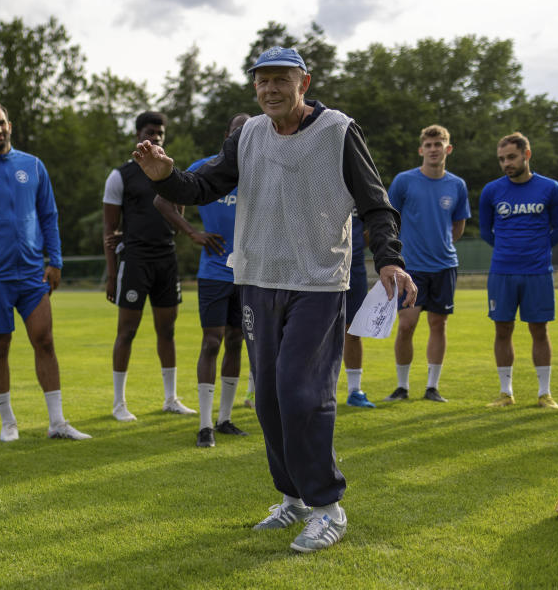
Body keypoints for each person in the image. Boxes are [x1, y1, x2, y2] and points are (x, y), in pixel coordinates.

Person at [132, 47, 416, 553]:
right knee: (267, 398)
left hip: (318, 282)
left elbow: (376, 203)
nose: (270, 90)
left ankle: (329, 508)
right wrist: (165, 178)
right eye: (261, 82)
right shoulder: (250, 135)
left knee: (301, 393)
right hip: (258, 280)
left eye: (280, 80)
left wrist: (389, 258)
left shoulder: (338, 130)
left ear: (304, 82)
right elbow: (202, 186)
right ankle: (293, 499)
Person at [0, 100, 90, 442]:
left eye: (0, 122)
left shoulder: (33, 166)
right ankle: (8, 421)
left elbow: (49, 216)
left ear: (9, 124)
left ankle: (57, 423)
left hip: (32, 274)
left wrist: (55, 260)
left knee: (44, 340)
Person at [153, 112, 252, 448]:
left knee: (237, 340)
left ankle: (225, 419)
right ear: (227, 135)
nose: (242, 137)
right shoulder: (208, 167)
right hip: (214, 272)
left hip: (250, 273)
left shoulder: (261, 172)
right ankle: (205, 424)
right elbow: (162, 198)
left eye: (248, 132)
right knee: (212, 341)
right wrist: (192, 232)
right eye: (236, 132)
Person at [102, 111, 195, 421]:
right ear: (138, 135)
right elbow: (110, 230)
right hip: (136, 260)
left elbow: (179, 214)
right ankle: (118, 404)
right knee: (126, 332)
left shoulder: (170, 171)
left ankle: (170, 398)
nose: (156, 137)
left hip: (166, 259)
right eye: (150, 132)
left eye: (160, 133)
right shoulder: (121, 176)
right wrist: (112, 273)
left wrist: (170, 180)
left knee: (167, 330)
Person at [480, 132, 558, 408]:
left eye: (512, 157)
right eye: (502, 159)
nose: (507, 163)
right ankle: (506, 393)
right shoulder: (491, 191)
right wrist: (510, 250)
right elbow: (486, 232)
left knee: (539, 330)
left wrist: (536, 249)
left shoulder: (551, 188)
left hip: (538, 272)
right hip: (502, 272)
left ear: (526, 155)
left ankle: (545, 393)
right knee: (502, 330)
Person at [384, 125, 470, 403]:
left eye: (439, 144)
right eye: (429, 145)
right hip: (411, 267)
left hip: (444, 266)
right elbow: (389, 219)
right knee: (406, 324)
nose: (434, 149)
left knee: (438, 324)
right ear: (421, 150)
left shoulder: (457, 185)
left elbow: (458, 226)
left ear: (448, 148)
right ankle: (402, 386)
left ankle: (432, 387)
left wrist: (440, 245)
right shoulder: (404, 181)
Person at [343, 220, 375, 408]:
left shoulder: (360, 191)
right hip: (320, 267)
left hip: (355, 268)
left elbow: (375, 224)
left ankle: (355, 391)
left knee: (354, 330)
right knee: (317, 331)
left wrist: (356, 242)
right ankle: (314, 390)